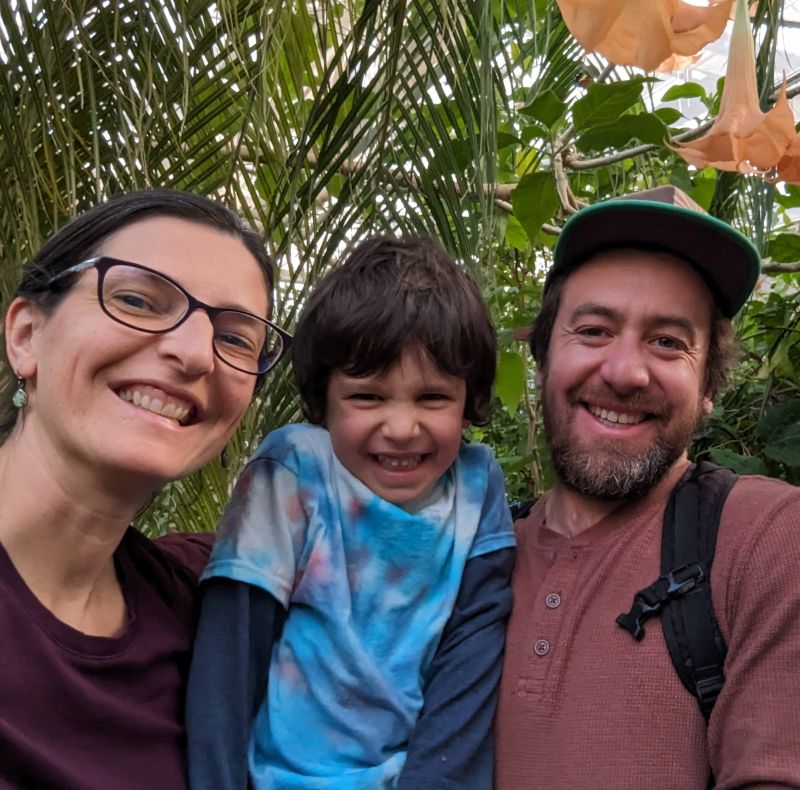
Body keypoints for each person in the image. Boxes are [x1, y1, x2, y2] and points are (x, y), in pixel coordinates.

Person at [494, 185, 800, 788]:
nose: (624, 372)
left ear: (709, 386)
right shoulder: (476, 553)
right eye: (593, 330)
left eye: (667, 342)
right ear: (541, 360)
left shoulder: (767, 539)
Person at [186, 236, 516, 789]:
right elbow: (230, 653)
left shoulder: (477, 488)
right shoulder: (294, 473)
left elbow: (473, 661)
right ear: (324, 401)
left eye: (433, 398)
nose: (402, 427)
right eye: (367, 397)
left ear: (469, 399)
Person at [0, 189, 291, 790]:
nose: (193, 354)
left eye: (236, 340)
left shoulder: (205, 607)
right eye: (137, 300)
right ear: (27, 334)